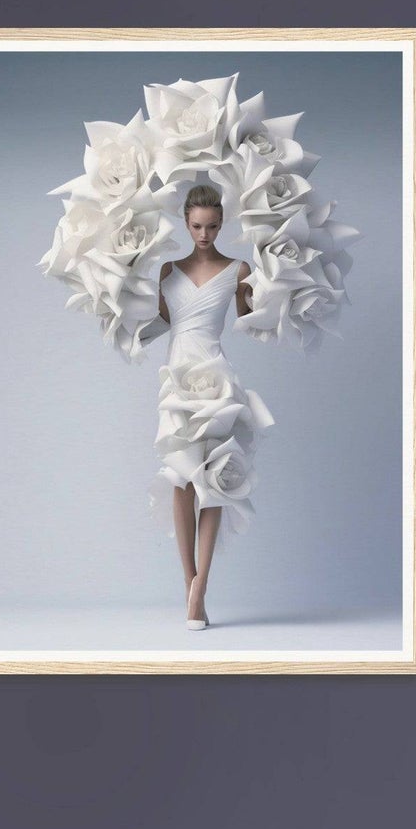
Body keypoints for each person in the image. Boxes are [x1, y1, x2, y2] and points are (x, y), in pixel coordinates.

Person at [152, 183, 273, 630]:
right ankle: (190, 586)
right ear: (185, 223)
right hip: (176, 381)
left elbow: (249, 321)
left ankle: (201, 588)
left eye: (214, 226)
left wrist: (272, 290)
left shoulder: (238, 269)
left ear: (223, 223)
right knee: (180, 480)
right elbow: (162, 323)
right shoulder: (167, 270)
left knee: (216, 480)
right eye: (197, 226)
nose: (205, 234)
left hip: (217, 379)